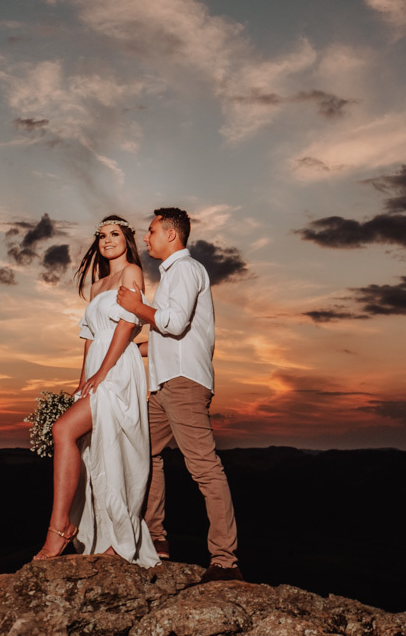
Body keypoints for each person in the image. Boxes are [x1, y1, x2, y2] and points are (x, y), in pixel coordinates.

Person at [116, 207, 242, 582]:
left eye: (151, 231)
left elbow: (173, 323)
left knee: (204, 468)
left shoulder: (185, 269)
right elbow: (164, 337)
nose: (146, 237)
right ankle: (156, 539)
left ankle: (225, 561)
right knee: (144, 451)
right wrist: (124, 348)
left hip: (184, 383)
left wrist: (135, 307)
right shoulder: (173, 274)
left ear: (171, 235)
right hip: (165, 383)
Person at [32, 215, 159, 567]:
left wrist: (103, 372)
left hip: (118, 368)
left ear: (127, 239)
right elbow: (89, 339)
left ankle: (61, 529)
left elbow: (127, 322)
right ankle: (93, 532)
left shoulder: (132, 271)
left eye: (114, 234)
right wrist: (82, 380)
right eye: (102, 236)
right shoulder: (96, 285)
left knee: (66, 432)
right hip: (96, 369)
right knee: (94, 450)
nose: (107, 241)